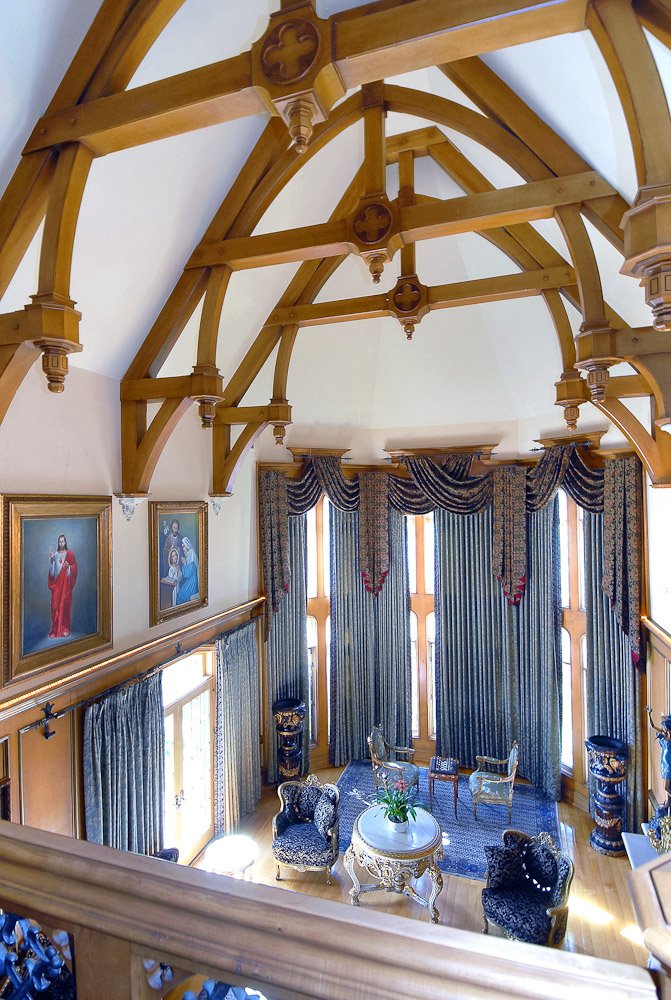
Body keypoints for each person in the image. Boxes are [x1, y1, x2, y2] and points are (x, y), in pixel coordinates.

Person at [48, 534, 78, 639]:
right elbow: (52, 573)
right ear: (58, 543)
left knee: (64, 606)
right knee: (54, 607)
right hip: (56, 586)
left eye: (62, 541)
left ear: (65, 542)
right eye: (59, 541)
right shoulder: (55, 555)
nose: (61, 543)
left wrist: (69, 567)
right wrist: (52, 561)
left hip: (65, 587)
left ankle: (65, 629)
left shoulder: (70, 554)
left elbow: (75, 569)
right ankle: (55, 629)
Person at [647, 705, 671, 806]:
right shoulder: (664, 734)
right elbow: (652, 726)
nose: (663, 728)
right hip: (664, 764)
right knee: (668, 786)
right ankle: (668, 803)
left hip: (669, 765)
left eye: (665, 727)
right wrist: (649, 714)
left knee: (666, 787)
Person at [175, 536, 199, 605]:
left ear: (187, 545)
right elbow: (185, 574)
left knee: (181, 596)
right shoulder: (188, 555)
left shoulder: (192, 553)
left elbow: (187, 574)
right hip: (189, 580)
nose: (183, 549)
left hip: (193, 581)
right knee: (180, 594)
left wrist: (184, 563)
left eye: (184, 546)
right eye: (182, 547)